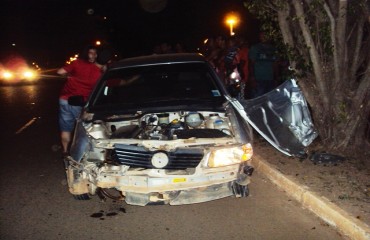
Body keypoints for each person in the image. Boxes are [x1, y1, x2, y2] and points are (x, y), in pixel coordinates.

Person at [57, 46, 103, 156]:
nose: (93, 55)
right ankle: (81, 153)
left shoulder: (76, 64)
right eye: (91, 53)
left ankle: (65, 151)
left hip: (65, 100)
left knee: (66, 128)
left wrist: (70, 75)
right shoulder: (99, 70)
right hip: (82, 103)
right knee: (84, 128)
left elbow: (59, 72)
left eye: (94, 53)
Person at [248, 32, 278, 98]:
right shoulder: (255, 48)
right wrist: (252, 77)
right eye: (262, 35)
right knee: (258, 99)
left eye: (265, 35)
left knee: (270, 99)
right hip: (258, 79)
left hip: (270, 79)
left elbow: (275, 64)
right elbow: (251, 64)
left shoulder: (273, 49)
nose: (264, 37)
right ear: (260, 37)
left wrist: (276, 78)